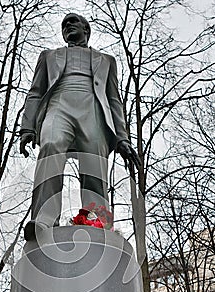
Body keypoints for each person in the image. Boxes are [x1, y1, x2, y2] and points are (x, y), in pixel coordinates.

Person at [20, 13, 140, 240]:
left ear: (86, 29)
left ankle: (97, 222)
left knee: (94, 163)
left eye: (72, 22)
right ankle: (44, 220)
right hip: (58, 106)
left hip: (93, 110)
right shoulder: (48, 57)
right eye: (64, 24)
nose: (67, 26)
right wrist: (28, 127)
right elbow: (36, 93)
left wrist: (122, 138)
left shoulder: (106, 60)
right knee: (51, 146)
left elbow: (114, 100)